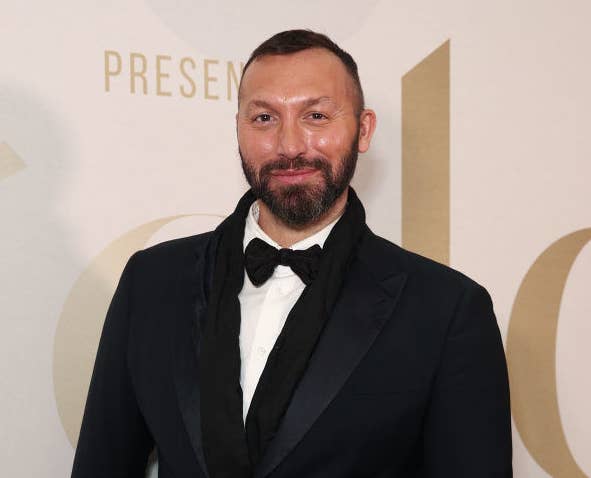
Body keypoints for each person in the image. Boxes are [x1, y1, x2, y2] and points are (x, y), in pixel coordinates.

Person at [71, 29, 512, 478]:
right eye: (264, 118)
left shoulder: (446, 311)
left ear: (363, 130)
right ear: (238, 129)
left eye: (316, 115)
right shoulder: (152, 282)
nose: (289, 146)